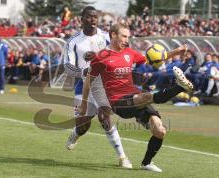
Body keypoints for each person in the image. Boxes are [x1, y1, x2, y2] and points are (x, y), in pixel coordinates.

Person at [79, 23, 193, 172]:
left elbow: (154, 59)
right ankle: (179, 87)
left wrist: (176, 51)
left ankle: (146, 163)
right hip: (118, 102)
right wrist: (83, 104)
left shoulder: (129, 52)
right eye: (124, 36)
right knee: (145, 96)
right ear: (113, 35)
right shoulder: (101, 57)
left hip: (134, 95)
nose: (127, 39)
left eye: (128, 37)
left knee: (160, 130)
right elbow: (88, 80)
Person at [64, 6, 132, 168]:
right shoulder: (73, 42)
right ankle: (76, 134)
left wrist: (99, 59)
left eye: (95, 17)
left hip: (104, 85)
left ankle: (122, 157)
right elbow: (68, 67)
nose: (93, 19)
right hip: (84, 85)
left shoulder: (106, 37)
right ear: (81, 20)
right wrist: (85, 70)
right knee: (83, 126)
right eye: (89, 17)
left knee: (104, 118)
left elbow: (119, 54)